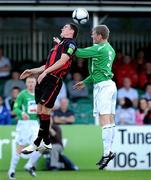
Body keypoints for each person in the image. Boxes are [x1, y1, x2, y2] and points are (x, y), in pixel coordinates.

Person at [19, 23, 78, 154]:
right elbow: (46, 66)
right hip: (45, 78)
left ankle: (37, 142)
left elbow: (62, 62)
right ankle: (45, 141)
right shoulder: (58, 46)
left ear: (71, 31)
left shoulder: (71, 44)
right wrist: (31, 71)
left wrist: (45, 73)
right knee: (40, 110)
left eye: (65, 27)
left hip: (53, 80)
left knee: (45, 110)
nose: (62, 29)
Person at [73, 25, 117, 170]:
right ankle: (108, 152)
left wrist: (65, 43)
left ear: (99, 36)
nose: (92, 37)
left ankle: (106, 153)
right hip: (109, 85)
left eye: (93, 35)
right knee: (109, 119)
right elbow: (97, 72)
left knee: (104, 120)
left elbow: (78, 53)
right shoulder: (110, 49)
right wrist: (85, 82)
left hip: (103, 87)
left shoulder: (100, 48)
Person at [8, 77, 41, 180]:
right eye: (29, 82)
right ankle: (12, 170)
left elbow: (41, 108)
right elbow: (16, 107)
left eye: (32, 82)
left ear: (36, 83)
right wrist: (21, 113)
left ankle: (29, 164)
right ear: (26, 84)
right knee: (20, 147)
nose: (31, 84)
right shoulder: (22, 94)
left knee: (41, 146)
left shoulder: (39, 94)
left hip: (35, 123)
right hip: (24, 124)